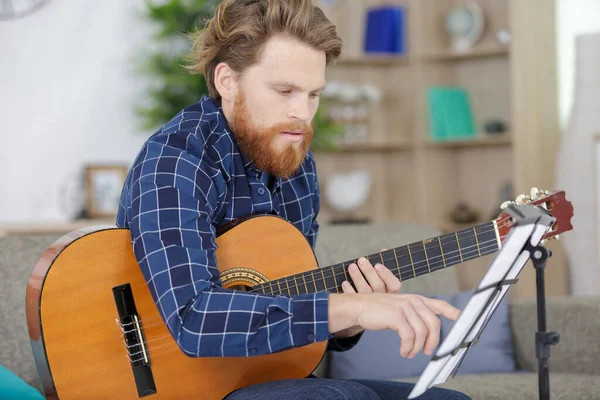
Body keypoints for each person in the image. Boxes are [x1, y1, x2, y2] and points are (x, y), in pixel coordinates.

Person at [116, 1, 471, 399]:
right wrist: (346, 309)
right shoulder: (176, 162)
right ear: (227, 80)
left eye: (313, 94)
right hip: (171, 386)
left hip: (260, 376)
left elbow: (292, 305)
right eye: (284, 91)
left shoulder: (297, 167)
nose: (301, 113)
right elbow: (193, 319)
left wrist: (349, 318)